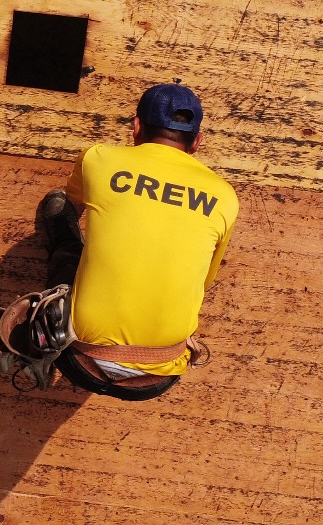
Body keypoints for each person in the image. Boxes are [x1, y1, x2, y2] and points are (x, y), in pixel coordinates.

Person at [38, 83, 239, 401]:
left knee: (68, 239)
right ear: (197, 142)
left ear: (136, 126)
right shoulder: (225, 196)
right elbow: (206, 280)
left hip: (79, 360)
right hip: (155, 379)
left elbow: (74, 203)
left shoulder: (99, 159)